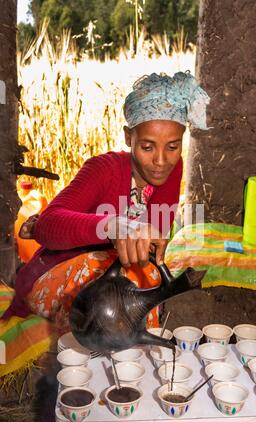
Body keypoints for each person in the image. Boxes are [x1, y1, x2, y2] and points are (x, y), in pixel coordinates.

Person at [4, 71, 210, 333]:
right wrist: (114, 226)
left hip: (110, 284)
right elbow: (47, 226)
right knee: (102, 270)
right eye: (147, 147)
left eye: (172, 146)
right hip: (51, 279)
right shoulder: (103, 170)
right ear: (128, 138)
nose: (161, 160)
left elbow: (149, 243)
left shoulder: (171, 168)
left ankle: (134, 360)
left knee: (146, 274)